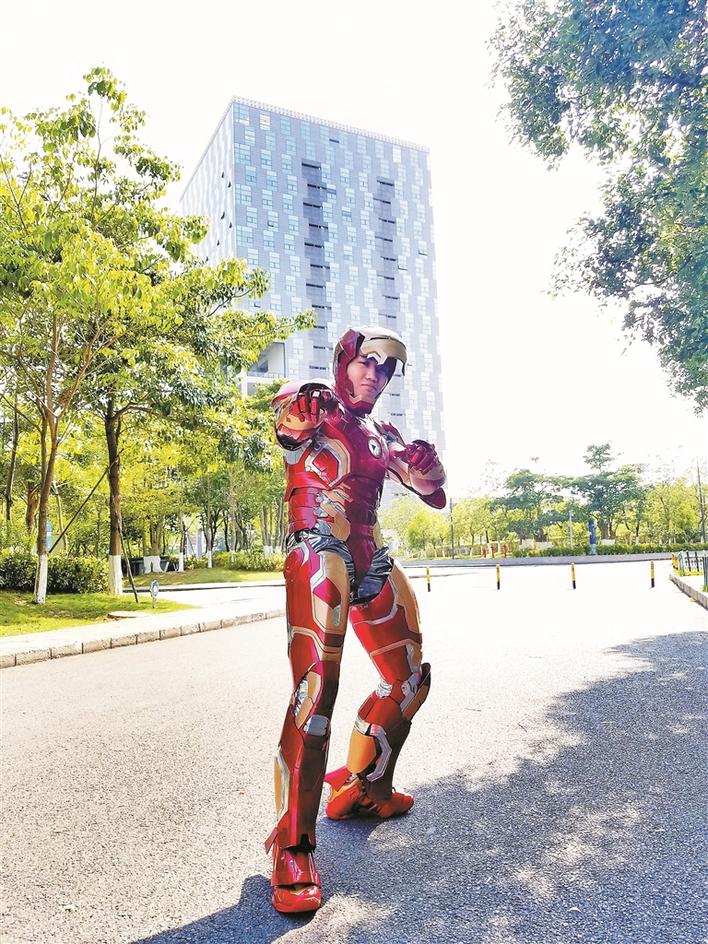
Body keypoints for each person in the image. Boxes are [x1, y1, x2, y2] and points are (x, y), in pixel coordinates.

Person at [264, 326, 446, 913]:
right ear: (344, 361)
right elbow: (289, 421)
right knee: (316, 691)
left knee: (410, 679)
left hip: (370, 558)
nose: (375, 374)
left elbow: (430, 491)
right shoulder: (316, 404)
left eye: (385, 369)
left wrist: (428, 467)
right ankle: (292, 846)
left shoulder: (382, 434)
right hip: (319, 550)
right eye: (366, 362)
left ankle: (364, 787)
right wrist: (305, 405)